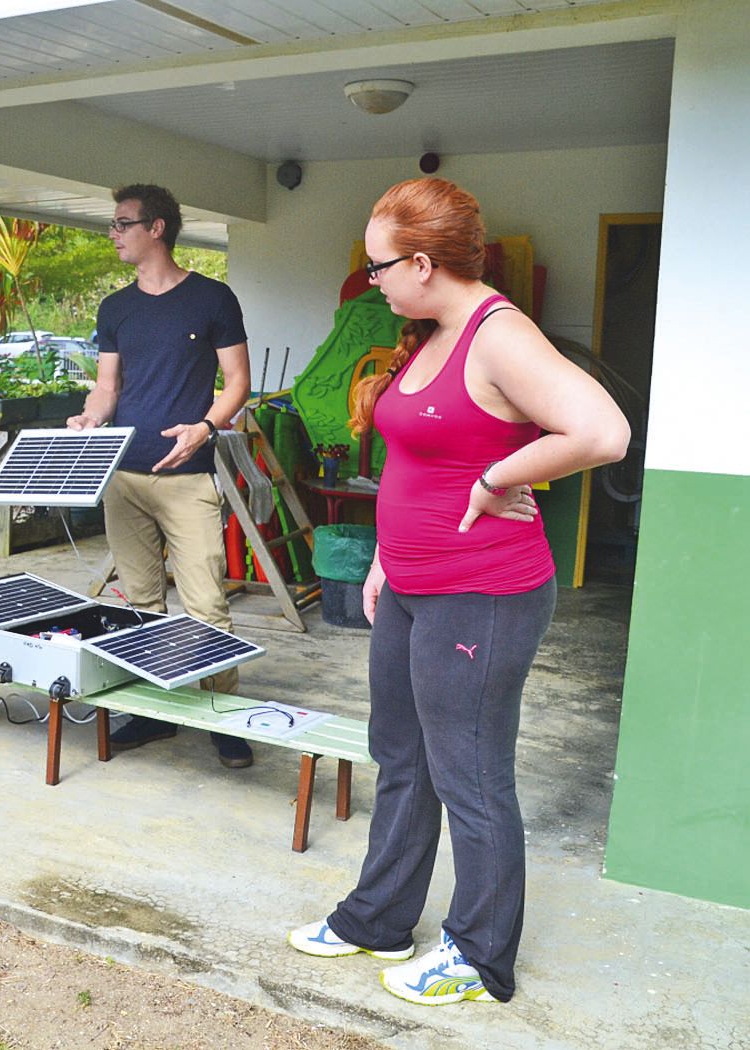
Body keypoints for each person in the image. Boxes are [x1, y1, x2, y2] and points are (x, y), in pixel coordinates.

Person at [287, 178, 628, 1005]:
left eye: (377, 267)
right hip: (411, 583)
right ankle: (378, 917)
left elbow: (602, 431)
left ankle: (477, 955)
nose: (371, 281)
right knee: (400, 759)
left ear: (421, 263)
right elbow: (415, 455)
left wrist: (496, 477)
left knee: (469, 775)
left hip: (482, 592)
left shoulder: (498, 333)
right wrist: (384, 556)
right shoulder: (431, 334)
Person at [66, 183, 255, 769]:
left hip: (188, 477)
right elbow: (107, 387)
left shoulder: (213, 298)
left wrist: (206, 426)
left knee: (207, 605)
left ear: (157, 229)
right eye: (113, 223)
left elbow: (238, 383)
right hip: (123, 476)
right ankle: (153, 711)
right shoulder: (115, 308)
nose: (113, 233)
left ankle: (220, 715)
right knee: (141, 605)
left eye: (122, 223)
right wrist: (89, 418)